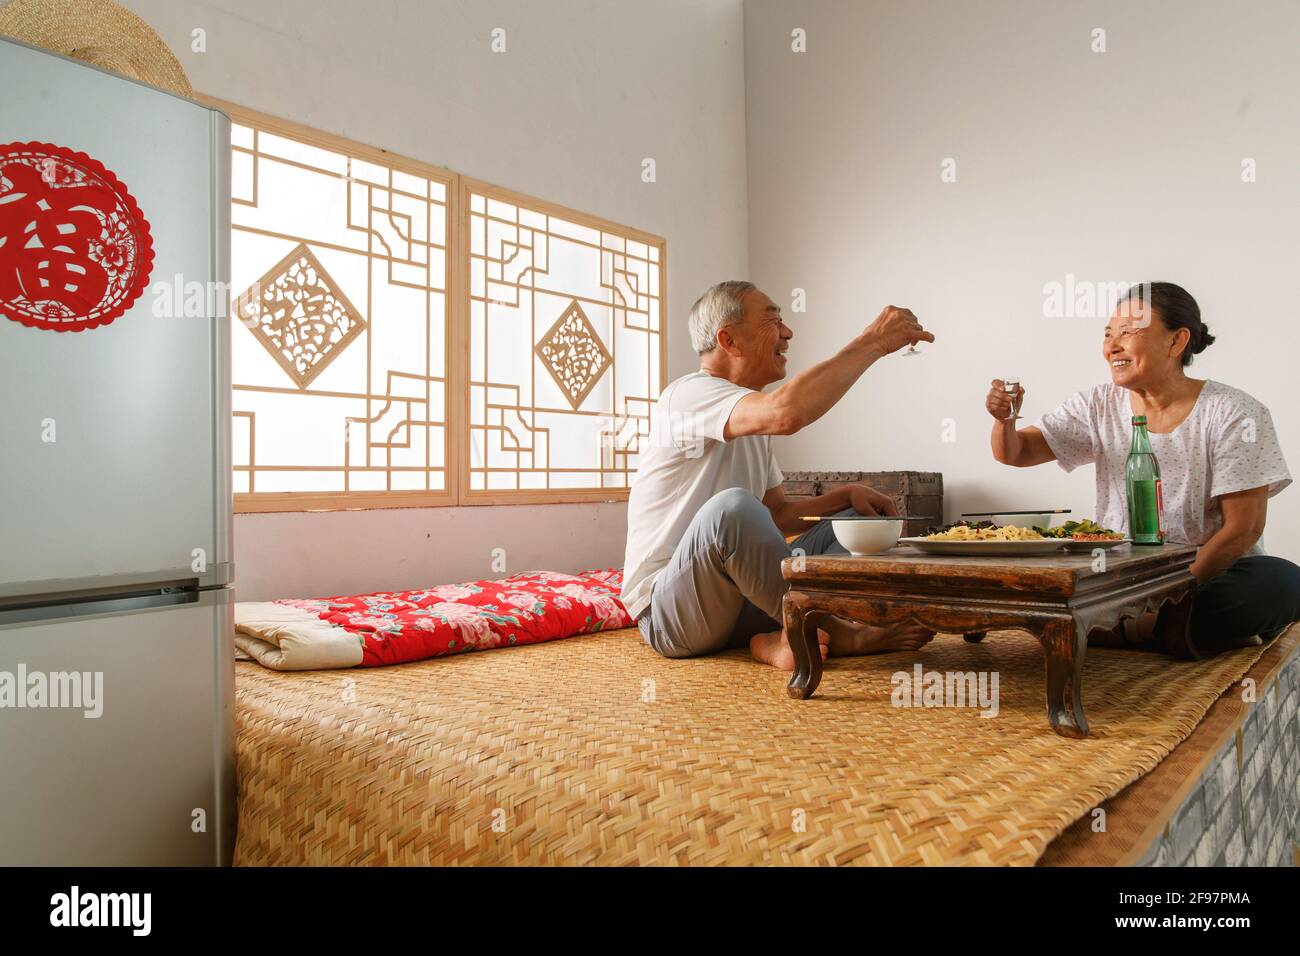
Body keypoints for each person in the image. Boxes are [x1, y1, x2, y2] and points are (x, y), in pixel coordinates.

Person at [621, 280, 936, 669]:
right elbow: (786, 414)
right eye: (774, 320)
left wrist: (845, 495)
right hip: (673, 615)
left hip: (742, 607)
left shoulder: (751, 417)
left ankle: (774, 638)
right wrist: (873, 340)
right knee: (733, 507)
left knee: (855, 521)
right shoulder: (686, 396)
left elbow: (775, 514)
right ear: (729, 340)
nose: (788, 332)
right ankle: (836, 631)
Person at [986, 281, 1300, 657]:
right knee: (1052, 581)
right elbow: (1017, 453)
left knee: (1281, 581)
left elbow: (1243, 529)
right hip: (1121, 579)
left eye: (1128, 332)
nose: (1112, 346)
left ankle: (1126, 629)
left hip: (1205, 577)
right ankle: (1174, 633)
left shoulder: (1234, 412)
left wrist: (1170, 594)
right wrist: (1005, 420)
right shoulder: (1097, 404)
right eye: (1108, 334)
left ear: (1176, 341)